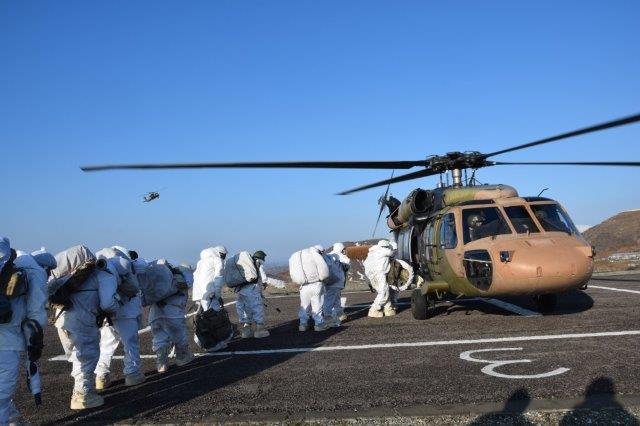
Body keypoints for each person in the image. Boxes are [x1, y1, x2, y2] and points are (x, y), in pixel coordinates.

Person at [52, 245, 120, 410]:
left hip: (61, 320)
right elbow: (108, 303)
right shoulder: (99, 274)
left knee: (76, 357)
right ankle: (82, 395)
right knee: (87, 357)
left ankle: (80, 390)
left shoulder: (65, 276)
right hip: (83, 320)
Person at [0, 238, 48, 424]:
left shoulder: (12, 269)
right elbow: (35, 314)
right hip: (6, 342)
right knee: (1, 396)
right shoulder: (32, 271)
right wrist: (34, 340)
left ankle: (13, 419)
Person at [94, 249, 145, 390]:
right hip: (126, 312)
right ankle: (132, 374)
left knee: (106, 345)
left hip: (107, 313)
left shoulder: (103, 269)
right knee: (130, 344)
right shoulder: (124, 268)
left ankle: (101, 377)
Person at [149, 261, 194, 373]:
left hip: (155, 314)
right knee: (180, 338)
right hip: (174, 313)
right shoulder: (181, 276)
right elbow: (188, 283)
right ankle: (182, 358)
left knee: (159, 339)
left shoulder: (156, 279)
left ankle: (161, 364)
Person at [234, 250, 283, 339]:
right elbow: (263, 278)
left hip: (240, 290)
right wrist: (263, 286)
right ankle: (260, 331)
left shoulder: (245, 265)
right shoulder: (257, 264)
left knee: (245, 309)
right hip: (252, 290)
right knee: (257, 308)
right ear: (261, 257)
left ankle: (246, 332)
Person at [298, 245, 329, 332]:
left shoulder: (303, 258)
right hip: (316, 285)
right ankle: (319, 325)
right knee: (317, 305)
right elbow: (324, 272)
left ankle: (303, 325)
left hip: (303, 286)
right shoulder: (317, 258)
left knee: (304, 306)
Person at [363, 240, 395, 318]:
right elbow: (392, 253)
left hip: (370, 275)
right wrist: (392, 247)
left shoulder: (371, 252)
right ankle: (374, 309)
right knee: (384, 291)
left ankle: (388, 308)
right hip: (379, 274)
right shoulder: (383, 251)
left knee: (382, 291)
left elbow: (365, 263)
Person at [322, 243, 350, 327]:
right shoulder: (340, 256)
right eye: (344, 249)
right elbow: (347, 265)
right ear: (341, 249)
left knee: (336, 299)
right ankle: (328, 319)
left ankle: (339, 314)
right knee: (329, 301)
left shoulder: (329, 255)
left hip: (329, 281)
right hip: (335, 282)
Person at [192, 246, 227, 311]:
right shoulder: (218, 260)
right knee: (214, 314)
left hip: (200, 292)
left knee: (204, 313)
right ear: (220, 253)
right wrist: (217, 295)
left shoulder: (200, 262)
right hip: (211, 292)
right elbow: (218, 277)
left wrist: (197, 296)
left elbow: (195, 276)